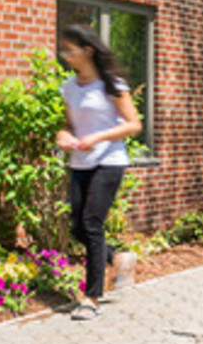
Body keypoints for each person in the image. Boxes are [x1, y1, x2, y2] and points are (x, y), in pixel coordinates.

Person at [55, 23, 142, 320]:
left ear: (87, 50)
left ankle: (91, 297)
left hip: (109, 160)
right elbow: (70, 124)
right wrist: (64, 136)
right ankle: (118, 258)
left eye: (70, 49)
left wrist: (98, 137)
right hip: (80, 162)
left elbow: (134, 124)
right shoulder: (68, 87)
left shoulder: (111, 84)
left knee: (92, 223)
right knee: (79, 226)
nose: (65, 55)